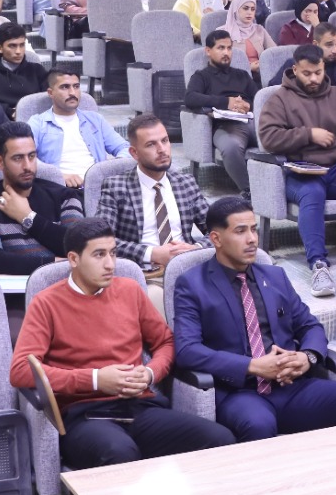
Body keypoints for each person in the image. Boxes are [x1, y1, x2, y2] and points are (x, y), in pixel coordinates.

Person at [169, 197, 336, 495]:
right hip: (240, 392)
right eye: (240, 231)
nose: (252, 239)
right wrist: (251, 366)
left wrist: (307, 357)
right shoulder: (192, 284)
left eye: (253, 229)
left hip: (291, 387)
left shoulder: (273, 276)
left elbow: (310, 325)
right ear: (216, 238)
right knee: (258, 425)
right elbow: (187, 350)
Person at [9, 216, 233, 495]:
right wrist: (95, 380)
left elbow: (166, 343)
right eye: (99, 255)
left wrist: (151, 372)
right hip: (84, 416)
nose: (110, 264)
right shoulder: (47, 303)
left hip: (139, 405)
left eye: (113, 253)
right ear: (73, 259)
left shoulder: (129, 290)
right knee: (121, 454)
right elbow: (22, 371)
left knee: (219, 439)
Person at [256, 45, 336, 297]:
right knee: (312, 194)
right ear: (295, 69)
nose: (313, 79)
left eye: (318, 72)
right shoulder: (280, 99)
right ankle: (319, 265)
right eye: (307, 73)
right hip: (299, 173)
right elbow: (268, 137)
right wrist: (308, 135)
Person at [92, 111, 209, 311]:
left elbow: (219, 230)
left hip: (189, 269)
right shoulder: (115, 186)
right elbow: (101, 240)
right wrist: (152, 253)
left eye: (165, 141)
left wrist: (195, 249)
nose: (162, 149)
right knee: (160, 304)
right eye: (151, 145)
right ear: (134, 153)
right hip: (145, 275)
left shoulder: (185, 182)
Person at [0, 122, 84, 275]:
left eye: (32, 156)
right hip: (11, 289)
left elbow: (79, 246)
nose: (27, 166)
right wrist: (57, 264)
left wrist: (28, 217)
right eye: (18, 158)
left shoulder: (66, 197)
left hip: (64, 285)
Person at [185, 29, 259, 197]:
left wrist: (247, 105)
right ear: (208, 51)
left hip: (251, 121)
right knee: (231, 147)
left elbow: (259, 98)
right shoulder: (202, 76)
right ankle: (251, 192)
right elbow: (190, 98)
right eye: (221, 48)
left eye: (229, 48)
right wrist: (226, 102)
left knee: (278, 137)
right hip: (225, 126)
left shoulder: (242, 75)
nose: (226, 52)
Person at [26, 66, 128, 186]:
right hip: (59, 187)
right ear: (50, 93)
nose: (72, 93)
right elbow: (27, 157)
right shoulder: (38, 123)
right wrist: (58, 176)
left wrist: (114, 168)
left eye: (76, 86)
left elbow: (124, 148)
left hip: (99, 185)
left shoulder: (95, 120)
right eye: (65, 87)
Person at [0, 22, 49, 118]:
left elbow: (47, 99)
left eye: (22, 45)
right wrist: (10, 112)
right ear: (0, 48)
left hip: (36, 119)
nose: (18, 51)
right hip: (0, 120)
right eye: (12, 46)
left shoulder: (37, 70)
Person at [224, 0, 276, 76]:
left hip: (263, 73)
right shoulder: (223, 33)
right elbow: (222, 63)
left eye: (253, 9)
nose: (249, 12)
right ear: (236, 9)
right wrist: (248, 68)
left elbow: (274, 53)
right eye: (245, 8)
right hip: (236, 77)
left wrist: (263, 64)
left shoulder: (259, 29)